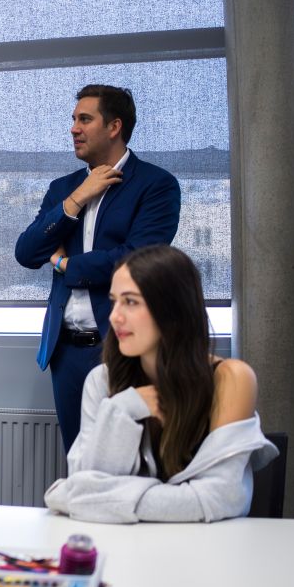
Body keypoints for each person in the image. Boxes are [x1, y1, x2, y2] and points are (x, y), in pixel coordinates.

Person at [45, 245, 275, 523]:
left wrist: (89, 498)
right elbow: (83, 482)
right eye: (114, 300)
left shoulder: (230, 378)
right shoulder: (101, 380)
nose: (114, 316)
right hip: (120, 548)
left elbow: (220, 497)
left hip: (204, 551)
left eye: (130, 302)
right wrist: (124, 409)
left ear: (173, 309)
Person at [16, 84, 181, 454]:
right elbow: (26, 252)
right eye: (73, 119)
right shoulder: (64, 188)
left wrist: (63, 263)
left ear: (114, 126)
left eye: (84, 119)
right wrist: (76, 200)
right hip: (67, 352)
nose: (73, 128)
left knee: (131, 459)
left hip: (122, 347)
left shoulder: (156, 186)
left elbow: (136, 259)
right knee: (79, 463)